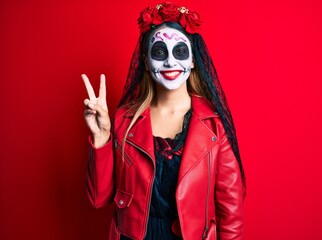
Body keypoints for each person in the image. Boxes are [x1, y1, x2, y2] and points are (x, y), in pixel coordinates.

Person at [82, 2, 246, 240]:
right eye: (159, 52)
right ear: (146, 62)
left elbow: (231, 213)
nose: (170, 62)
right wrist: (101, 138)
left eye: (180, 51)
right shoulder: (122, 120)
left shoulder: (214, 126)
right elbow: (98, 199)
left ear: (192, 60)